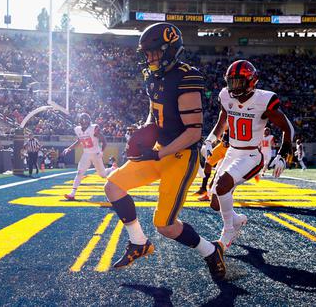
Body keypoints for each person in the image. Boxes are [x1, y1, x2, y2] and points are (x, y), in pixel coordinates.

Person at [104, 23, 226, 280]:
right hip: (159, 150)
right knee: (113, 186)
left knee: (165, 226)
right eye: (145, 53)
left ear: (168, 50)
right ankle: (139, 242)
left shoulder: (186, 77)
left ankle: (211, 250)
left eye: (152, 52)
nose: (148, 58)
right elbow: (153, 110)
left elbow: (193, 133)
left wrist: (158, 154)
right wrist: (145, 128)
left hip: (180, 156)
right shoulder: (153, 76)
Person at [205, 59, 294, 253]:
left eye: (239, 82)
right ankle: (236, 220)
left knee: (222, 186)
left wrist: (283, 153)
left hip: (251, 155)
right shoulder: (225, 95)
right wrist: (210, 140)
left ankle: (228, 231)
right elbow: (222, 121)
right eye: (232, 82)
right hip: (231, 152)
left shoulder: (264, 100)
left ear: (252, 81)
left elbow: (288, 128)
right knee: (214, 202)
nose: (234, 87)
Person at [63, 113, 113, 200]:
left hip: (96, 153)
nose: (84, 123)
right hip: (86, 154)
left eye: (85, 122)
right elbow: (79, 141)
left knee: (103, 174)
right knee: (80, 172)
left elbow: (104, 141)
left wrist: (101, 151)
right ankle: (72, 193)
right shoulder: (78, 130)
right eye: (83, 122)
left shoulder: (93, 128)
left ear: (89, 122)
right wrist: (69, 148)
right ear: (80, 122)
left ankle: (111, 169)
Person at [195, 130, 229, 201]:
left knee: (218, 173)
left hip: (231, 148)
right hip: (222, 145)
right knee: (208, 162)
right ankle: (203, 188)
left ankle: (209, 194)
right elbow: (221, 126)